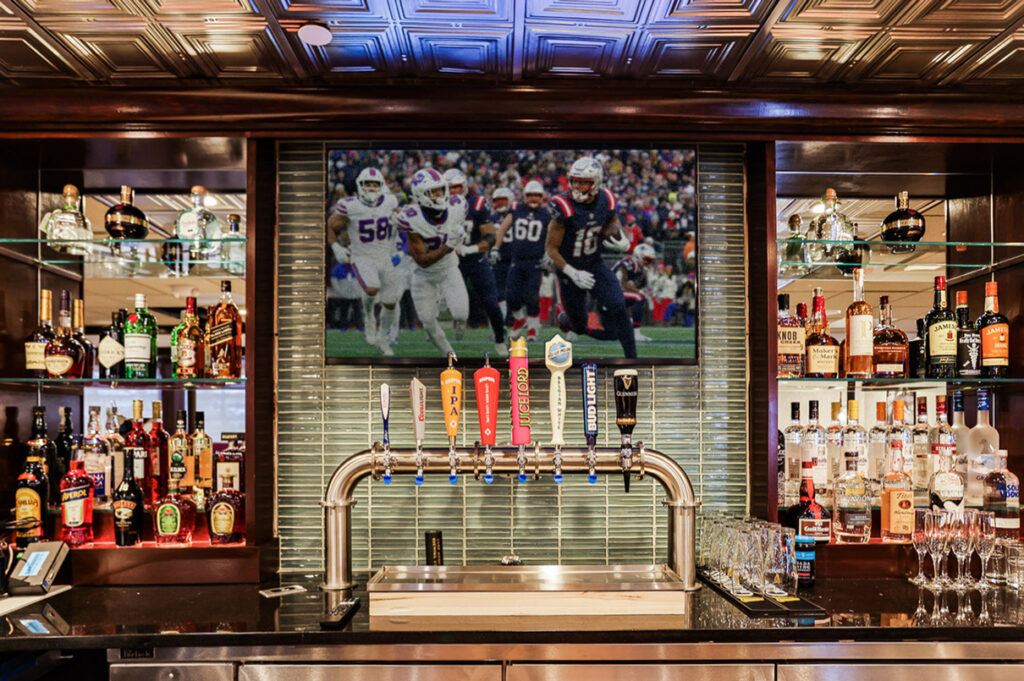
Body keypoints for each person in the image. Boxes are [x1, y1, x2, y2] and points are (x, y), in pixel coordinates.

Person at [545, 156, 636, 358]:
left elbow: (613, 220)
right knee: (578, 327)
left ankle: (633, 359)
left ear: (595, 183)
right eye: (575, 181)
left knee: (618, 306)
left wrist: (621, 238)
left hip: (594, 264)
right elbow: (551, 249)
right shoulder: (563, 206)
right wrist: (571, 272)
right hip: (568, 270)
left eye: (583, 182)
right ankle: (566, 320)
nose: (577, 186)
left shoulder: (607, 200)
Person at [326, 167, 400, 356]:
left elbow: (402, 220)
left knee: (391, 302)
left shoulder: (390, 202)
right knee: (371, 288)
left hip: (384, 257)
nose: (372, 188)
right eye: (368, 184)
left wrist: (399, 220)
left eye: (375, 185)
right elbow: (330, 225)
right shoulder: (350, 205)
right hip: (362, 256)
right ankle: (368, 316)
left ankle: (382, 338)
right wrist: (336, 247)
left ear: (382, 186)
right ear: (360, 186)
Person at [397, 168, 470, 358]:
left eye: (441, 189)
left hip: (449, 268)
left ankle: (460, 326)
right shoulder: (411, 218)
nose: (440, 194)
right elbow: (422, 261)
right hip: (424, 276)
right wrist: (448, 246)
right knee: (428, 322)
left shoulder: (458, 205)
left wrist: (458, 239)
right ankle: (450, 354)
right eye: (434, 191)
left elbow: (457, 230)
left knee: (461, 314)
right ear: (421, 195)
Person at [443, 169, 508, 355]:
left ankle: (499, 340)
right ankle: (459, 322)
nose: (454, 192)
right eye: (450, 188)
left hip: (476, 260)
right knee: (446, 300)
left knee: (491, 303)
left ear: (464, 187)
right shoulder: (439, 206)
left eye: (457, 187)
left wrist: (471, 249)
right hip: (451, 260)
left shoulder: (477, 204)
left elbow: (490, 236)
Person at [497, 180, 550, 341]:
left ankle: (533, 329)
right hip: (517, 260)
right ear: (524, 196)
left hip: (536, 261)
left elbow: (553, 237)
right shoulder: (516, 209)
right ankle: (520, 319)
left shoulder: (547, 214)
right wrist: (495, 248)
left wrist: (548, 255)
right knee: (511, 295)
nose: (534, 198)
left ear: (542, 197)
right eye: (531, 195)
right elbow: (503, 228)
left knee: (532, 295)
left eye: (537, 195)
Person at [608, 243, 655, 342]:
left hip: (614, 293)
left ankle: (632, 332)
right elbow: (622, 282)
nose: (649, 263)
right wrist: (639, 291)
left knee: (636, 298)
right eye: (648, 260)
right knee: (639, 297)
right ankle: (635, 333)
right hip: (609, 292)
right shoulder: (630, 262)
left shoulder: (638, 268)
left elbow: (627, 290)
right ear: (639, 256)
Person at [488, 187, 516, 322]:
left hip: (514, 259)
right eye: (497, 201)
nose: (499, 204)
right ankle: (502, 321)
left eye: (502, 200)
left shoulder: (517, 216)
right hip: (497, 260)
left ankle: (516, 320)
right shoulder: (490, 218)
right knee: (499, 293)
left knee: (514, 292)